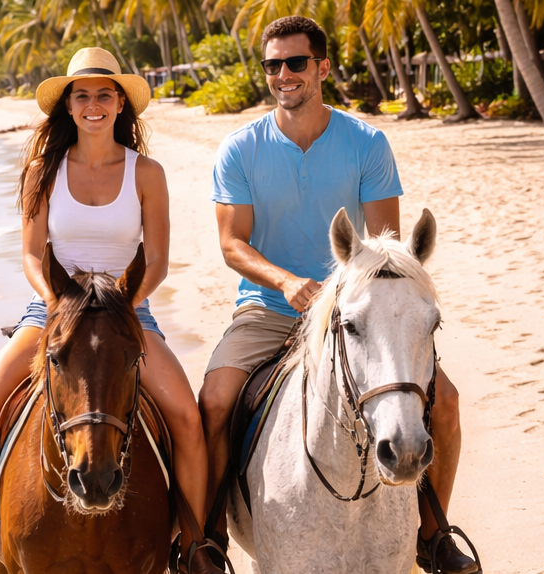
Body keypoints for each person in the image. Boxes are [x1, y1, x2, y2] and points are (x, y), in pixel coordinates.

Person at [197, 16, 477, 574]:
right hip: (269, 309)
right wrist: (285, 282)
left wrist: (346, 292)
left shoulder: (367, 142)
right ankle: (205, 540)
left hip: (355, 308)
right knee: (216, 401)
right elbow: (232, 244)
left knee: (443, 403)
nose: (282, 75)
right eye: (272, 65)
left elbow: (384, 250)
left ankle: (432, 530)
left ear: (321, 67)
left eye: (295, 63)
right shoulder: (240, 148)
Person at [0, 47, 221, 574]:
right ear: (67, 107)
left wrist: (120, 307)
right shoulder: (43, 171)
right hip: (50, 313)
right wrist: (55, 302)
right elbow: (29, 253)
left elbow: (155, 260)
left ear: (119, 106)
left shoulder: (146, 173)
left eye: (103, 95)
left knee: (187, 419)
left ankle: (194, 545)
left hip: (128, 312)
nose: (93, 105)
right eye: (81, 96)